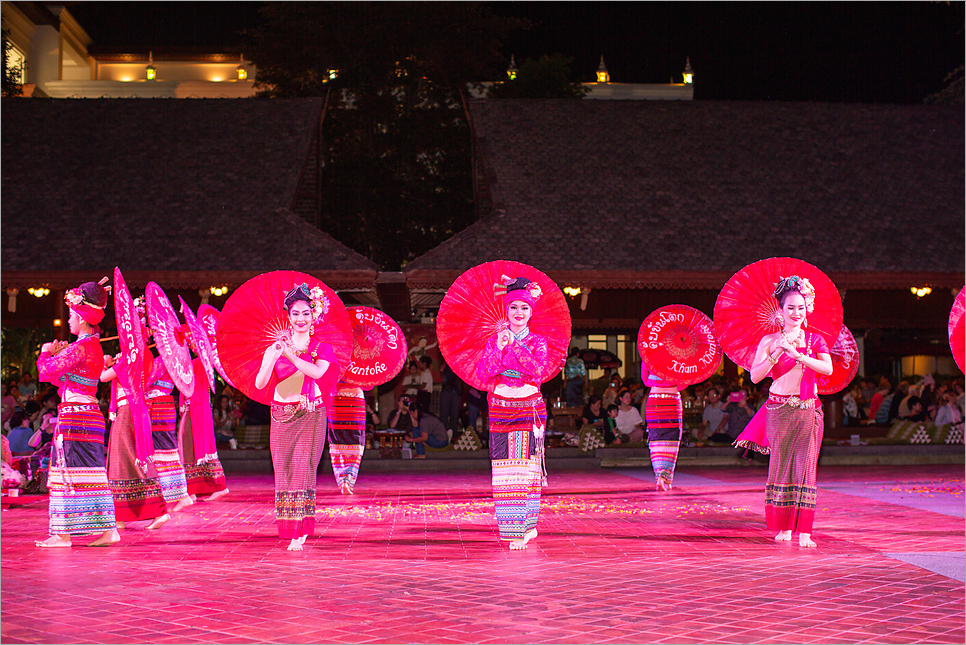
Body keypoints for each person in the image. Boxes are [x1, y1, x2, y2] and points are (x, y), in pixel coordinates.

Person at [742, 275, 832, 549]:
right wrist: (775, 353)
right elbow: (755, 378)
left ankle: (804, 530)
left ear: (808, 309)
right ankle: (784, 527)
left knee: (805, 469)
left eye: (801, 307)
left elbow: (827, 369)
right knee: (781, 467)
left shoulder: (815, 340)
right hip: (779, 410)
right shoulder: (769, 340)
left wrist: (802, 356)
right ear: (779, 311)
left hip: (807, 409)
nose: (796, 313)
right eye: (790, 308)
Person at [254, 283, 339, 551]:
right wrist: (272, 356)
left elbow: (315, 373)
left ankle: (297, 531)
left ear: (314, 316)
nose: (300, 319)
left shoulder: (322, 348)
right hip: (280, 414)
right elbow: (260, 383)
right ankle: (292, 525)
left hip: (310, 413)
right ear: (288, 317)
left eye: (305, 313)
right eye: (295, 314)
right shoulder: (275, 347)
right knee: (284, 471)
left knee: (302, 469)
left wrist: (289, 352)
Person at [34, 279, 119, 548]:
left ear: (82, 319)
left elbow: (46, 373)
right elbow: (64, 381)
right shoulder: (92, 348)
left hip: (76, 416)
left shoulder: (81, 347)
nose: (68, 321)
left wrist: (45, 352)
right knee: (90, 472)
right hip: (87, 413)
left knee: (67, 471)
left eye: (71, 315)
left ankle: (64, 534)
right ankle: (106, 530)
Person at [476, 277, 551, 550]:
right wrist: (498, 346)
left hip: (528, 408)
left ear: (531, 312)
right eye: (514, 308)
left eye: (524, 308)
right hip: (499, 409)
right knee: (504, 470)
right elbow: (484, 374)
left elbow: (536, 371)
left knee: (523, 468)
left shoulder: (538, 341)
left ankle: (521, 530)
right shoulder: (495, 341)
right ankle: (518, 527)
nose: (519, 313)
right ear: (506, 312)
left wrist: (514, 346)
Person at [100, 344, 169, 530]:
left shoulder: (127, 361)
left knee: (123, 459)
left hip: (127, 412)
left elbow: (103, 377)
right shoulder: (136, 362)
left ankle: (156, 511)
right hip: (132, 411)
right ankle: (121, 514)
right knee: (129, 459)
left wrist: (105, 363)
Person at [177, 332, 229, 503]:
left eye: (192, 340)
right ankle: (205, 487)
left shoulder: (200, 362)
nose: (190, 342)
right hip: (198, 405)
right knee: (194, 445)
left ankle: (197, 489)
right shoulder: (200, 362)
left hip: (197, 407)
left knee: (192, 445)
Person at [641, 366, 686, 491]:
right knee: (672, 440)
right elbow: (684, 382)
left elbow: (645, 380)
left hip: (655, 400)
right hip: (672, 401)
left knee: (656, 438)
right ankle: (666, 476)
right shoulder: (678, 356)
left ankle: (660, 475)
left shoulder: (649, 355)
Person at [328, 381, 367, 494]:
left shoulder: (334, 362)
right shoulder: (361, 364)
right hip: (355, 397)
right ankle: (348, 479)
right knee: (356, 440)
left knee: (337, 440)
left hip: (336, 397)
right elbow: (369, 384)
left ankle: (341, 480)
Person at [439, 361, 462, 437]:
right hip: (448, 390)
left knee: (454, 415)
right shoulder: (446, 363)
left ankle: (453, 435)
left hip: (455, 391)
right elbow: (441, 370)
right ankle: (442, 435)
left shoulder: (459, 363)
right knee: (444, 414)